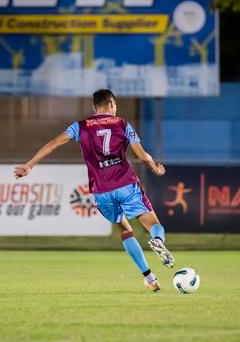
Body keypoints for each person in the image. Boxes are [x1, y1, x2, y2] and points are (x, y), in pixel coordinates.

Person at [14, 89, 174, 292]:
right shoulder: (122, 124)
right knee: (153, 224)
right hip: (125, 184)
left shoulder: (79, 126)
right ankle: (158, 241)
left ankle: (150, 278)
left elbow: (54, 143)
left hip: (101, 191)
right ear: (111, 104)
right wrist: (154, 167)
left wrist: (29, 165)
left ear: (94, 107)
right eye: (115, 105)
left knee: (124, 229)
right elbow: (142, 155)